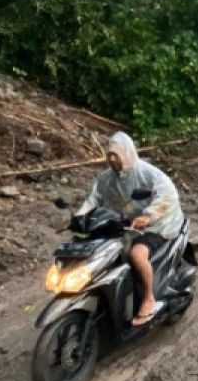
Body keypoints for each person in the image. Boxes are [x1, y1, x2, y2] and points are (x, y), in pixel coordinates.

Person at [76, 132, 182, 326]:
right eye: (109, 154)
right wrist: (79, 216)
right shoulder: (107, 178)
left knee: (136, 254)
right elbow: (94, 199)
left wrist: (149, 215)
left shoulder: (147, 173)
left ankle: (149, 299)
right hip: (127, 224)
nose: (111, 158)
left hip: (158, 224)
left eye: (116, 154)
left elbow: (168, 194)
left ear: (127, 153)